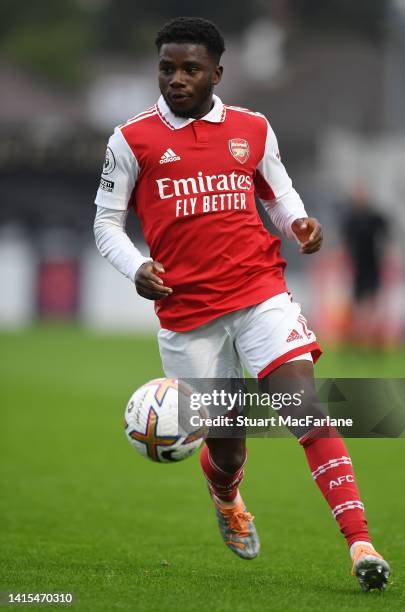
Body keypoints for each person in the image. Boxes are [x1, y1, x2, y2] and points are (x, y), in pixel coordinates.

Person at [93, 17, 390, 591]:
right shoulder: (130, 140)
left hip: (259, 292)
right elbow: (106, 224)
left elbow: (280, 194)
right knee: (227, 448)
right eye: (166, 68)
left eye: (190, 69)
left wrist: (298, 222)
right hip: (188, 314)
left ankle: (360, 544)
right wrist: (137, 267)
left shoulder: (252, 128)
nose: (176, 79)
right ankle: (226, 495)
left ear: (217, 73)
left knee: (305, 408)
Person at [341, 184, 389, 346]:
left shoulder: (375, 217)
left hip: (373, 264)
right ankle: (357, 335)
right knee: (356, 302)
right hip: (357, 267)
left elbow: (386, 236)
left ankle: (371, 335)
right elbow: (345, 243)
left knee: (372, 301)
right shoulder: (350, 218)